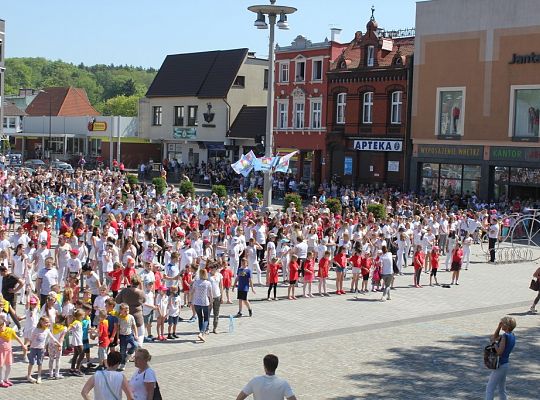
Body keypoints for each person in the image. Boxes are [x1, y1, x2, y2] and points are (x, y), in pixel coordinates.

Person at [485, 316, 516, 400]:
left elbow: (499, 352)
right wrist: (498, 327)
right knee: (502, 389)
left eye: (502, 323)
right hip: (505, 364)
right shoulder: (512, 335)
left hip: (500, 364)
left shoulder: (505, 336)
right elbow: (495, 336)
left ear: (506, 325)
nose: (501, 324)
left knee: (489, 388)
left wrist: (494, 343)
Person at [0, 314, 27, 388]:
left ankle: (6, 379)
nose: (2, 328)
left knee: (9, 365)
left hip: (8, 351)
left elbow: (17, 337)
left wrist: (23, 345)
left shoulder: (9, 330)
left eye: (3, 325)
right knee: (1, 366)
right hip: (1, 352)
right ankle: (1, 381)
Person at [191, 268, 213, 342]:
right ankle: (201, 333)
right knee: (206, 318)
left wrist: (190, 300)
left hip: (197, 302)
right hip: (205, 302)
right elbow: (210, 294)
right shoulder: (208, 283)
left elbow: (192, 292)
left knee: (200, 318)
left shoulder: (196, 282)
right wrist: (211, 302)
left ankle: (201, 332)